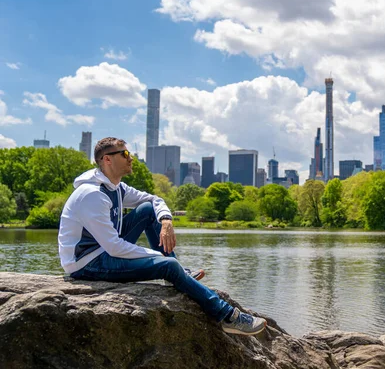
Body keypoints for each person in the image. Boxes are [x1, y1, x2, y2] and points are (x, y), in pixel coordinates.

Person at [58, 137, 266, 336]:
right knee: (168, 267)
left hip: (103, 250)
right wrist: (161, 260)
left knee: (148, 210)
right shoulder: (92, 194)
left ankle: (176, 272)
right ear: (107, 159)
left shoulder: (116, 187)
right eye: (125, 153)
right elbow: (114, 247)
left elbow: (154, 199)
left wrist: (166, 220)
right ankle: (228, 317)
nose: (131, 158)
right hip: (86, 263)